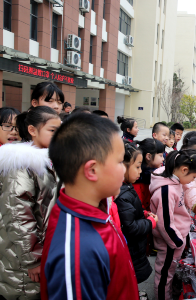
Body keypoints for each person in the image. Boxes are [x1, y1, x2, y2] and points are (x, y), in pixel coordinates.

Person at [41, 113, 139, 300]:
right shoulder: (76, 254)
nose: (124, 169)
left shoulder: (93, 210)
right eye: (120, 162)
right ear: (92, 170)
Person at [0, 106, 61, 300]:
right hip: (23, 259)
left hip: (44, 250)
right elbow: (18, 218)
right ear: (32, 130)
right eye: (52, 130)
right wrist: (32, 260)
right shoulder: (20, 164)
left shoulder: (49, 160)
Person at [151, 149, 196, 300]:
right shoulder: (166, 190)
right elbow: (165, 222)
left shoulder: (175, 181)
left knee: (169, 272)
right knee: (164, 275)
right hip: (170, 243)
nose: (192, 181)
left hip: (175, 239)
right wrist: (177, 242)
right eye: (193, 177)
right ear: (184, 170)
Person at [114, 141, 158, 287]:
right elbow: (130, 227)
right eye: (138, 167)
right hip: (130, 249)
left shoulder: (126, 186)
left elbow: (130, 213)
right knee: (129, 281)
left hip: (135, 248)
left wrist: (144, 213)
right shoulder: (121, 193)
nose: (140, 171)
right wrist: (150, 223)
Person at [134, 138, 165, 210]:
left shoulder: (152, 173)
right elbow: (139, 206)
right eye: (160, 156)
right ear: (149, 156)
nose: (163, 159)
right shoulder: (138, 179)